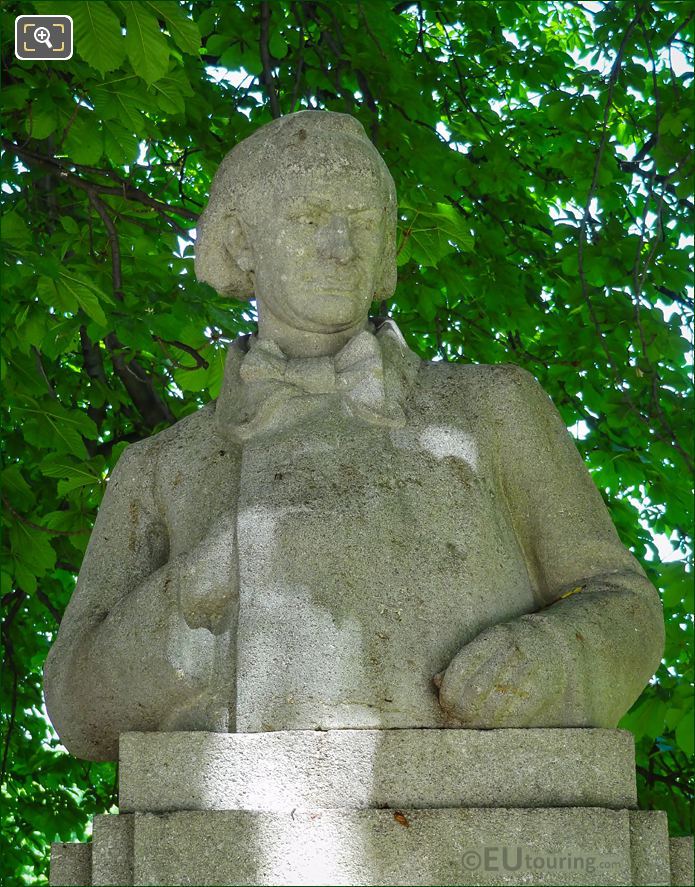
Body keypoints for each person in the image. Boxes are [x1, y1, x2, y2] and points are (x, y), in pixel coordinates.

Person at [44, 111, 664, 762]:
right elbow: (78, 712)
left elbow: (622, 602)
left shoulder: (493, 407)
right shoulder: (162, 465)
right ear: (241, 241)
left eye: (363, 222)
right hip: (245, 825)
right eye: (309, 218)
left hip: (490, 804)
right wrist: (184, 597)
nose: (341, 247)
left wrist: (551, 659)